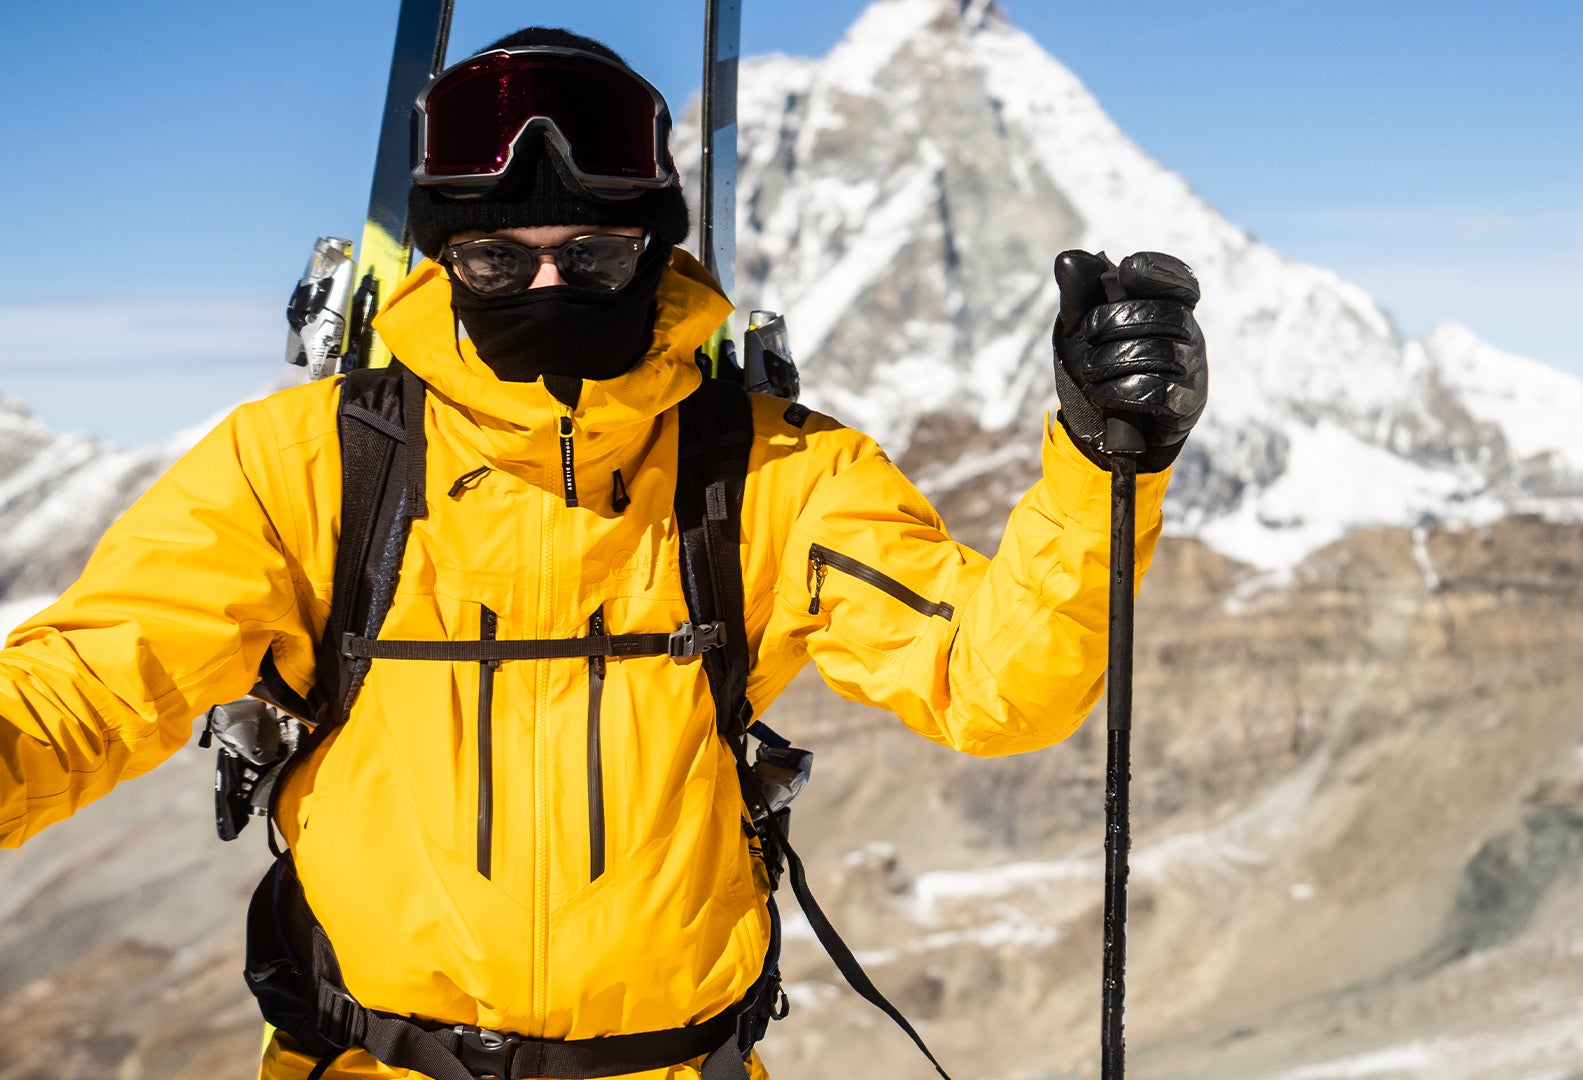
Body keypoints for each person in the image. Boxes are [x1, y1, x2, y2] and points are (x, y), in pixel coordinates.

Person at [0, 27, 1207, 1080]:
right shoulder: (310, 464)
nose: (544, 283)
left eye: (589, 256)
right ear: (443, 259)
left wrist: (1103, 469)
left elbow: (991, 684)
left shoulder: (772, 472)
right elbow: (87, 687)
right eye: (495, 259)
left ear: (650, 248)